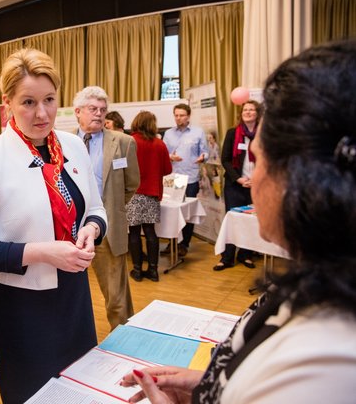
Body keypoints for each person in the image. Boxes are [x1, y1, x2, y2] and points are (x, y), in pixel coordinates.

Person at [121, 40, 356, 404]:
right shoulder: (319, 288)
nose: (252, 176)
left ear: (300, 179)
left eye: (258, 160)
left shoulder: (323, 361)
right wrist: (210, 383)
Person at [0, 48, 107, 403]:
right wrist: (41, 253)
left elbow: (96, 208)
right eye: (28, 102)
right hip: (22, 306)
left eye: (50, 100)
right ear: (7, 103)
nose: (42, 113)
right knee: (33, 394)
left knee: (79, 390)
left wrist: (92, 229)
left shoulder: (72, 146)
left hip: (75, 296)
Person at [74, 85, 139, 329]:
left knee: (116, 297)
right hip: (70, 231)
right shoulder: (63, 143)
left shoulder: (124, 142)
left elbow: (132, 184)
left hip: (108, 230)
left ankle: (122, 341)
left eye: (103, 110)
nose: (99, 114)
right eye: (93, 109)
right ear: (78, 111)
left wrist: (109, 209)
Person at [214, 100, 263, 271]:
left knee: (249, 221)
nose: (248, 112)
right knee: (232, 220)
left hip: (257, 185)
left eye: (251, 110)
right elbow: (225, 160)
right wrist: (239, 179)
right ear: (241, 113)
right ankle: (227, 257)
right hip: (235, 185)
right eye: (245, 110)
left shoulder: (264, 134)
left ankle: (246, 254)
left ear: (258, 113)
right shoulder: (232, 133)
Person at [127, 111, 172, 282]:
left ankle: (137, 270)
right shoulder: (159, 144)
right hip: (152, 193)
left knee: (134, 232)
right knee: (150, 231)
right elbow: (168, 170)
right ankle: (153, 271)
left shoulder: (130, 142)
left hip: (133, 194)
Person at [161, 103, 208, 257]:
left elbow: (205, 152)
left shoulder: (198, 132)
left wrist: (203, 157)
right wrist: (169, 157)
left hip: (190, 177)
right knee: (171, 212)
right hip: (172, 179)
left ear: (188, 116)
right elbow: (163, 153)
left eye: (181, 115)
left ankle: (184, 244)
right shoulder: (168, 133)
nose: (178, 118)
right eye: (176, 115)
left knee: (187, 213)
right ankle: (172, 242)